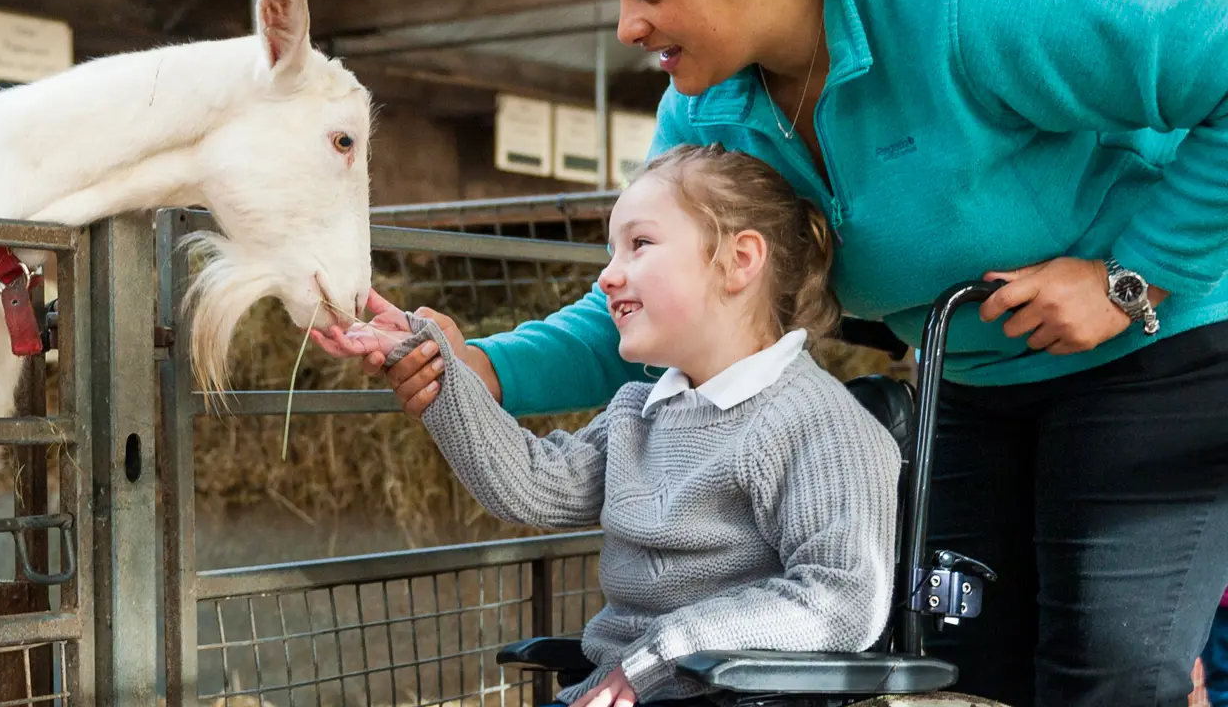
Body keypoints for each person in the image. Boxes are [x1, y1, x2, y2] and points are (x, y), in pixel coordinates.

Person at [314, 0, 1228, 707]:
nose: (629, 26)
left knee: (1107, 674)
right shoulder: (710, 108)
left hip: (1158, 350)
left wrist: (1130, 276)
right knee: (967, 673)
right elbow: (663, 297)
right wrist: (477, 367)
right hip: (970, 385)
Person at [335, 144, 902, 707]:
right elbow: (536, 486)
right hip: (617, 689)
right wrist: (437, 370)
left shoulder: (818, 425)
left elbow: (844, 597)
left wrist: (663, 654)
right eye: (612, 252)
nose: (607, 277)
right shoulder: (642, 410)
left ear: (740, 261)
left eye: (640, 244)